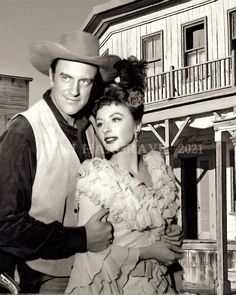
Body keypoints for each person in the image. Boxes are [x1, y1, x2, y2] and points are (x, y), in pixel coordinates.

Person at [0, 30, 120, 293]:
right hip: (44, 280)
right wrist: (82, 239)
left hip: (97, 271)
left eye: (85, 81)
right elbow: (5, 227)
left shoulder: (93, 130)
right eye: (66, 77)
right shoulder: (23, 131)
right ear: (52, 76)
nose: (74, 91)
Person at [66, 56, 184, 295]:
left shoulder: (158, 169)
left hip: (161, 286)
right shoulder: (98, 179)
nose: (106, 129)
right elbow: (91, 258)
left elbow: (162, 227)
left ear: (138, 125)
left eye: (116, 119)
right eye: (100, 123)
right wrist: (149, 252)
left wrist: (172, 233)